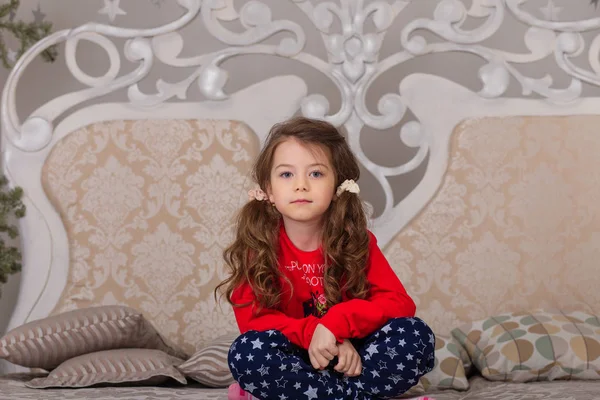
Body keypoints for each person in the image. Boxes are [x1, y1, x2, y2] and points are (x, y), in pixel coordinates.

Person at [216, 116, 435, 400]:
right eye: (286, 174)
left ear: (337, 187)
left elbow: (399, 303)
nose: (301, 185)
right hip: (297, 361)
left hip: (355, 359)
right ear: (268, 190)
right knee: (247, 352)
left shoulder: (357, 241)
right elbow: (255, 321)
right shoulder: (257, 245)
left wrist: (335, 325)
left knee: (415, 335)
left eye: (316, 174)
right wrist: (316, 334)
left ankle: (332, 394)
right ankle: (353, 396)